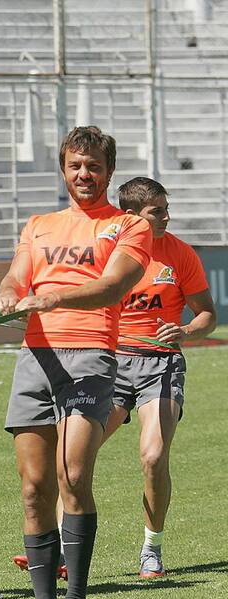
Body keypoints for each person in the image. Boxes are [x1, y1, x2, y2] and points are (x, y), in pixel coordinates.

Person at [0, 126, 151, 599]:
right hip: (35, 359)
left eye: (94, 166)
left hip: (90, 356)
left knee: (73, 474)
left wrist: (50, 302)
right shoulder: (39, 224)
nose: (84, 175)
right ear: (63, 168)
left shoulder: (128, 225)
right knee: (33, 488)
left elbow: (113, 285)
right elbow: (16, 278)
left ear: (108, 171)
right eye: (75, 165)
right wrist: (9, 294)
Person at [103, 177, 216, 578]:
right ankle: (62, 547)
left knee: (153, 456)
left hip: (161, 365)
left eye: (166, 209)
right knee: (73, 457)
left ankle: (152, 548)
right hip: (111, 365)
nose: (167, 217)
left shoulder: (180, 254)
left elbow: (206, 315)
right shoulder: (105, 251)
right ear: (130, 215)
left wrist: (185, 331)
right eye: (158, 211)